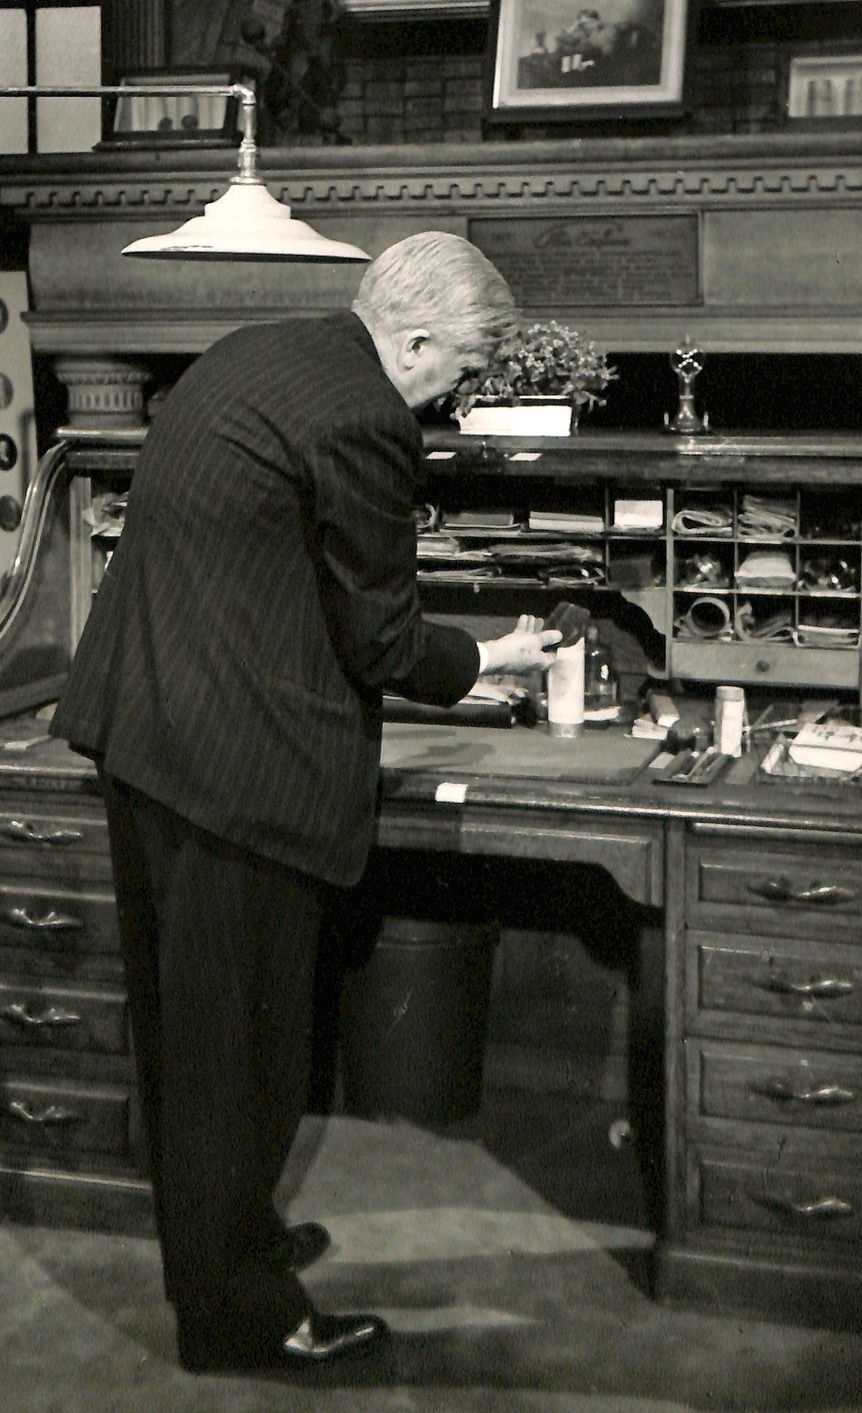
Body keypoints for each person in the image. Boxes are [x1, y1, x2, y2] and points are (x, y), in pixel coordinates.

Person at [52, 231, 563, 1377]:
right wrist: (490, 656)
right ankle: (240, 1315)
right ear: (417, 337)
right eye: (465, 365)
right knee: (243, 1056)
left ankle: (226, 1241)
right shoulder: (366, 418)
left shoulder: (251, 353)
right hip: (241, 770)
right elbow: (378, 637)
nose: (461, 391)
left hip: (145, 734)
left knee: (187, 1041)